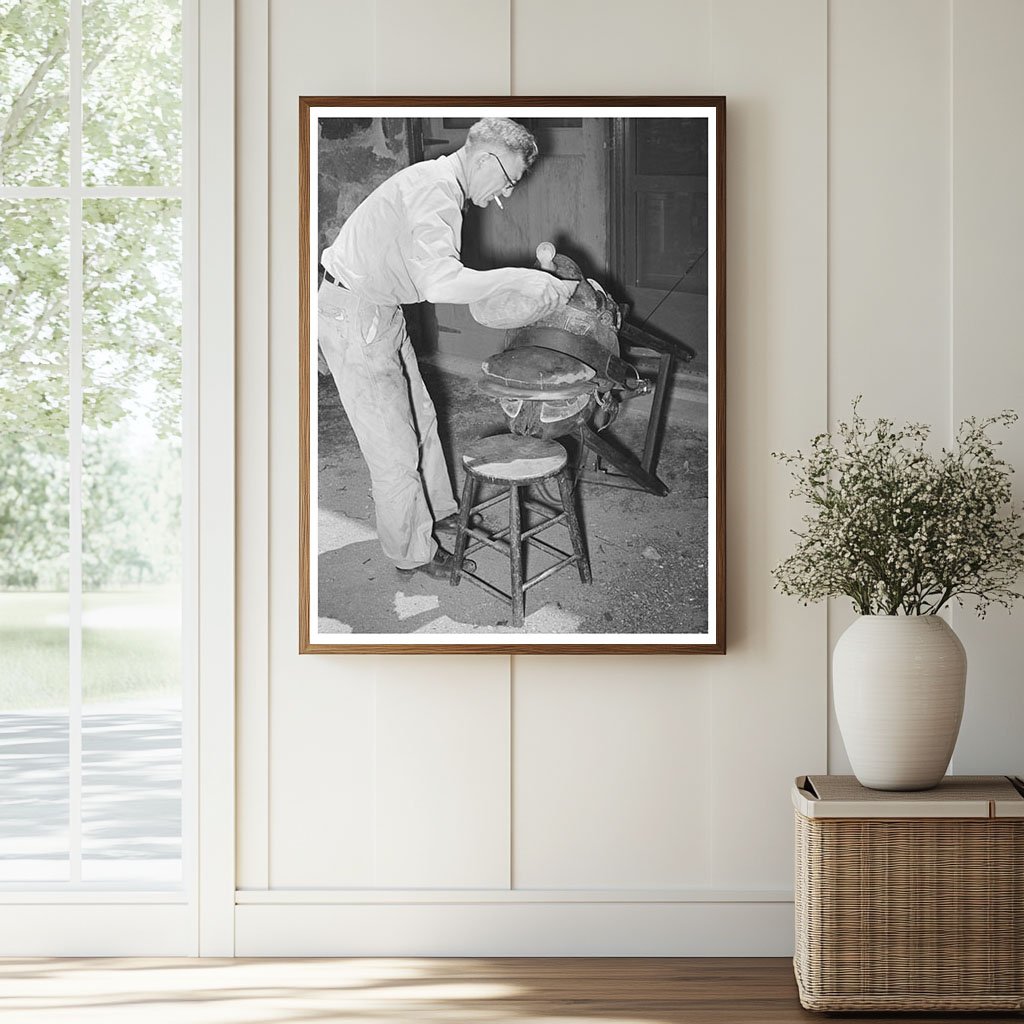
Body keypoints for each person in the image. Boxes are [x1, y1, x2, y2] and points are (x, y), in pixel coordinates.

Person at [318, 117, 574, 578]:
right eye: (509, 179)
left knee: (422, 419)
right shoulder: (435, 190)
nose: (507, 194)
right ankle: (410, 554)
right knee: (393, 449)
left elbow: (435, 276)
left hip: (381, 308)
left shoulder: (440, 185)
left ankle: (436, 512)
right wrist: (523, 278)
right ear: (483, 157)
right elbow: (440, 283)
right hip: (355, 314)